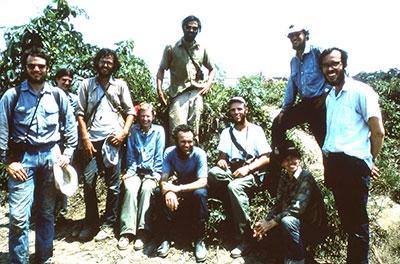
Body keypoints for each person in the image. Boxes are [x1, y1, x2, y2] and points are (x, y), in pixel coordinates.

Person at [0, 47, 77, 263]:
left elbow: (71, 126)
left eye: (41, 66)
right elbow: (1, 130)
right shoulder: (11, 95)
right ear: (25, 67)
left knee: (46, 212)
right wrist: (8, 163)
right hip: (22, 160)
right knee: (17, 217)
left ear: (47, 69)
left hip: (51, 158)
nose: (36, 69)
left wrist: (68, 153)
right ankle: (19, 260)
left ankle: (45, 257)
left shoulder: (57, 95)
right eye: (32, 65)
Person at [320, 47, 385, 263]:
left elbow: (377, 132)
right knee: (348, 221)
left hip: (354, 166)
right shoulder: (331, 97)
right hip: (335, 165)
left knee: (357, 224)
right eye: (326, 65)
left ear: (344, 65)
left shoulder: (361, 91)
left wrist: (369, 160)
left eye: (335, 63)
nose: (330, 68)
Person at [76, 48, 135, 241]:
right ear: (97, 63)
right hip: (91, 141)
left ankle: (109, 224)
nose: (106, 65)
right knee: (89, 181)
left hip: (113, 141)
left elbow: (130, 112)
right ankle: (90, 223)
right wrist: (84, 137)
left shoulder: (120, 85)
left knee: (113, 185)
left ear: (114, 65)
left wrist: (124, 133)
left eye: (109, 62)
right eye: (102, 61)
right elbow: (80, 113)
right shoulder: (86, 84)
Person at [208, 96, 271, 258]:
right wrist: (221, 160)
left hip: (253, 173)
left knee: (233, 186)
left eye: (239, 109)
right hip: (233, 171)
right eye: (233, 110)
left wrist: (248, 168)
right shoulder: (226, 132)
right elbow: (222, 156)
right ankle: (232, 197)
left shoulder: (256, 130)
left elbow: (266, 158)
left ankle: (246, 237)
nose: (236, 112)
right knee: (213, 173)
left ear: (246, 110)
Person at [253, 141, 327, 264]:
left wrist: (271, 223)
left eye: (293, 157)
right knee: (266, 227)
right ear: (282, 163)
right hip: (295, 225)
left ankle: (298, 259)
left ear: (299, 158)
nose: (290, 162)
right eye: (286, 159)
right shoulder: (284, 177)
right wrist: (265, 222)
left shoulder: (306, 177)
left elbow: (297, 209)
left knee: (287, 221)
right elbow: (278, 204)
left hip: (312, 226)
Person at [156, 15, 216, 143]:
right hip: (178, 94)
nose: (191, 30)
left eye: (195, 28)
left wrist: (208, 84)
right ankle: (175, 161)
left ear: (198, 30)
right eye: (188, 27)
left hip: (196, 93)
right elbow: (161, 70)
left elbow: (213, 69)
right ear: (183, 28)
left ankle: (193, 161)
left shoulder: (202, 49)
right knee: (177, 132)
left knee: (193, 133)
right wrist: (160, 91)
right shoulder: (171, 48)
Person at [271, 24, 330, 152]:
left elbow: (334, 73)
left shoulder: (317, 52)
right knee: (278, 123)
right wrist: (284, 110)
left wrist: (326, 96)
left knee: (325, 146)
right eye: (291, 35)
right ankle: (284, 156)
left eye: (297, 34)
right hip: (306, 104)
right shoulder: (294, 61)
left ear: (306, 35)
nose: (294, 38)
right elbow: (291, 87)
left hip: (322, 104)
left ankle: (333, 168)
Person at [156, 124, 208, 262]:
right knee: (158, 192)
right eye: (183, 141)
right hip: (177, 185)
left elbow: (203, 181)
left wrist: (178, 189)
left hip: (192, 187)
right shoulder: (169, 152)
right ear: (176, 141)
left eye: (190, 141)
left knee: (201, 194)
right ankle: (165, 238)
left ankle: (199, 240)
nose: (187, 145)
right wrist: (167, 192)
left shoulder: (199, 154)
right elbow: (164, 178)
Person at [117, 103, 165, 250]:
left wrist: (157, 175)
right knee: (130, 189)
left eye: (148, 116)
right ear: (139, 117)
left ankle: (143, 232)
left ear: (153, 116)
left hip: (152, 172)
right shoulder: (133, 130)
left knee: (147, 189)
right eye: (143, 116)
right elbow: (130, 155)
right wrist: (129, 174)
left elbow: (159, 155)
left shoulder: (159, 131)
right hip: (135, 171)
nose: (145, 119)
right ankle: (127, 232)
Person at [54, 68, 77, 223]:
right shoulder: (49, 95)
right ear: (57, 79)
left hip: (67, 143)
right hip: (52, 142)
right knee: (51, 177)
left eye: (69, 80)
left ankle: (61, 211)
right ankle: (49, 212)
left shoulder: (73, 99)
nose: (67, 82)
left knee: (64, 176)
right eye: (64, 79)